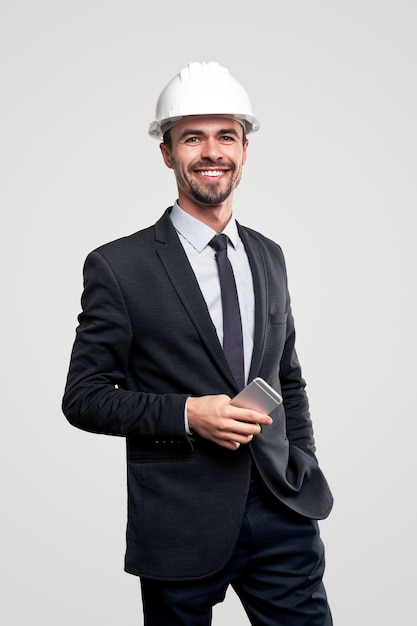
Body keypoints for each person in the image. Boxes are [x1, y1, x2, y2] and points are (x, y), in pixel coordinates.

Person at [62, 61, 333, 625]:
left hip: (281, 509)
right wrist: (187, 414)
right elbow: (83, 397)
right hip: (179, 523)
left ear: (244, 149)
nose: (212, 152)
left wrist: (300, 464)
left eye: (226, 136)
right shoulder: (118, 266)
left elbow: (288, 379)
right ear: (167, 153)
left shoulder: (269, 255)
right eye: (193, 137)